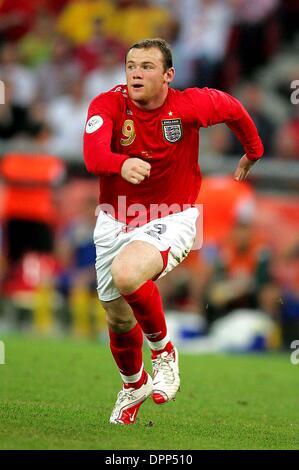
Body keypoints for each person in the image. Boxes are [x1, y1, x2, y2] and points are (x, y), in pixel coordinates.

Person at [83, 38, 264, 425]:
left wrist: (254, 149)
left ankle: (165, 354)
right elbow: (93, 154)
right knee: (117, 317)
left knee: (128, 274)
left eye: (147, 66)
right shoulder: (108, 104)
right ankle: (133, 384)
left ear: (169, 75)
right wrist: (120, 163)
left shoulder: (189, 105)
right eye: (131, 64)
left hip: (173, 214)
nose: (136, 72)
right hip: (116, 219)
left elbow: (233, 108)